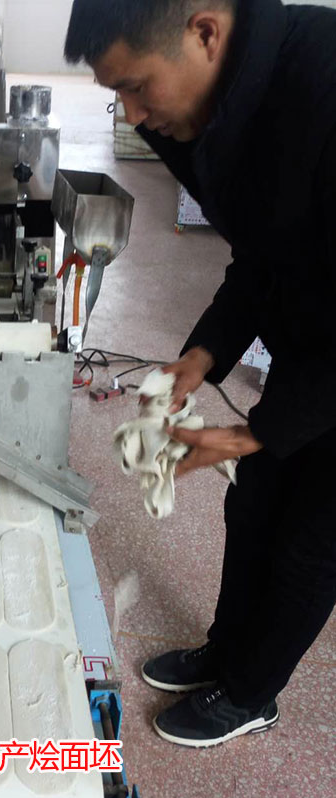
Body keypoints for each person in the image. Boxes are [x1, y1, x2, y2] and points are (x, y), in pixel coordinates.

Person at [65, 0, 336, 746]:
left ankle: (251, 693)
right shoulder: (199, 117)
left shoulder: (320, 88)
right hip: (315, 342)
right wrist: (204, 354)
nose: (132, 114)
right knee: (254, 504)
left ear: (205, 32)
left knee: (310, 540)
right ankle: (226, 652)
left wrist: (253, 432)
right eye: (115, 93)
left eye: (135, 86)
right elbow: (262, 253)